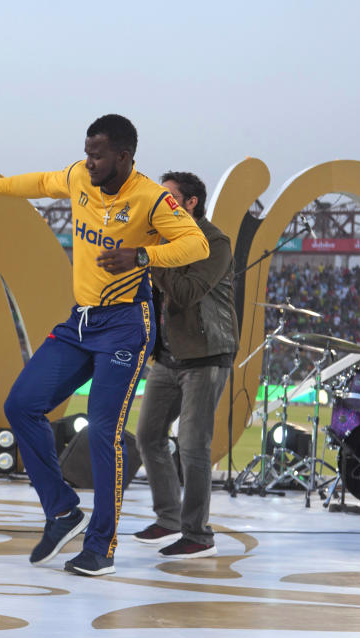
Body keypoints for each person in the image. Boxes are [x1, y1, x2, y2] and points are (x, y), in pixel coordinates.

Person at [0, 114, 208, 576]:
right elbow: (40, 181)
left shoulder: (152, 198)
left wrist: (141, 255)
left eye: (98, 155)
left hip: (127, 324)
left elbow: (195, 245)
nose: (88, 162)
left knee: (104, 432)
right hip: (81, 321)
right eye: (87, 152)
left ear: (124, 156)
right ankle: (63, 510)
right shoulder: (78, 176)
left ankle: (101, 547)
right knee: (21, 405)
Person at [132, 171, 237, 559]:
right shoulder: (164, 239)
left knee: (193, 446)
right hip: (169, 356)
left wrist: (151, 257)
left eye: (169, 197)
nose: (161, 204)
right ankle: (169, 517)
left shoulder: (214, 242)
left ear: (191, 203)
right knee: (148, 437)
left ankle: (198, 533)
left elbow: (187, 293)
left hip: (206, 355)